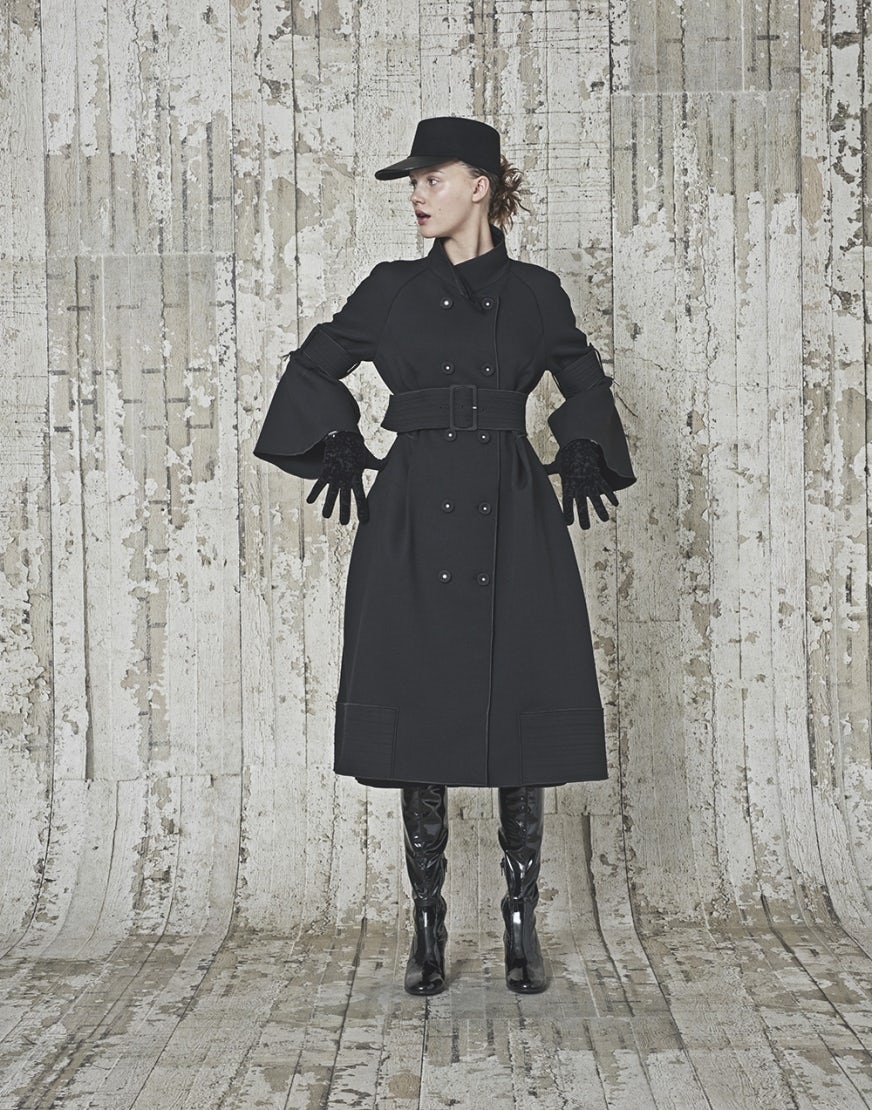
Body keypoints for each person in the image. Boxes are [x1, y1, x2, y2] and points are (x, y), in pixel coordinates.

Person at [254, 116, 636, 996]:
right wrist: (336, 439)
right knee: (419, 700)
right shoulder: (390, 289)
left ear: (481, 185)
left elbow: (581, 373)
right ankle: (427, 921)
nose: (418, 195)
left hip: (514, 511)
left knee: (523, 699)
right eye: (413, 182)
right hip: (413, 512)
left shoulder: (536, 293)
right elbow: (315, 364)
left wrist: (583, 443)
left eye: (433, 178)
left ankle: (519, 918)